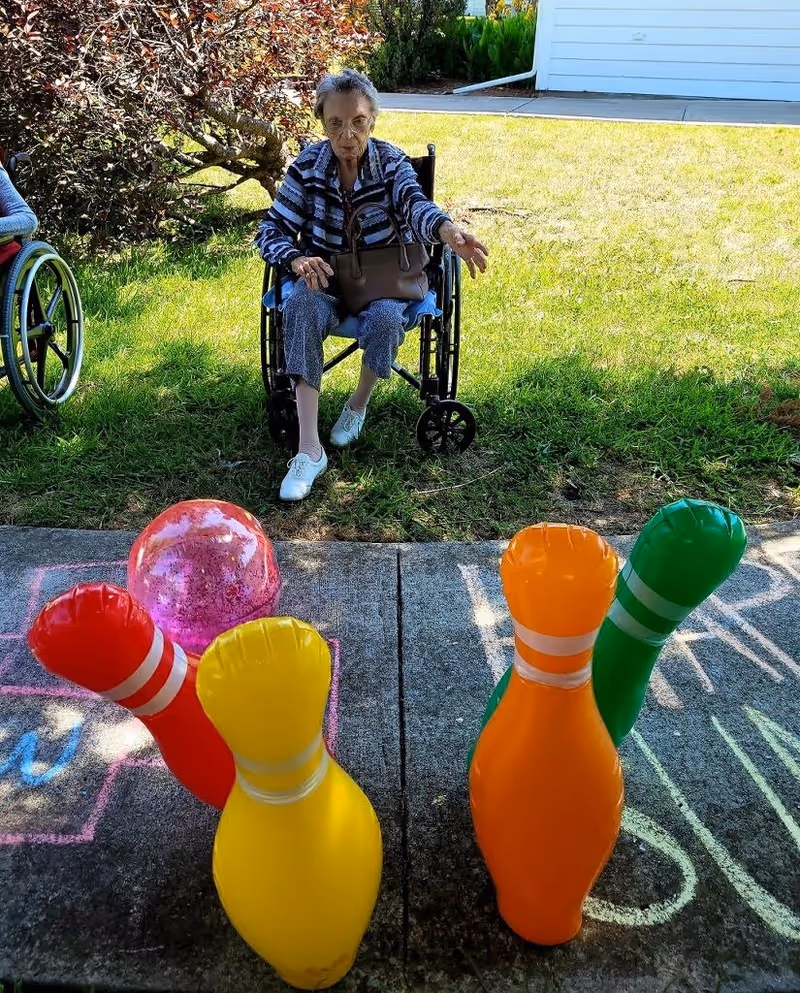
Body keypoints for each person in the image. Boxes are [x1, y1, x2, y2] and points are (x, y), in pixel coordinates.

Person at [256, 69, 488, 502]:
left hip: (382, 283)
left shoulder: (391, 162)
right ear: (322, 123)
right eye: (335, 124)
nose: (347, 134)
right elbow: (271, 230)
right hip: (324, 279)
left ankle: (356, 406)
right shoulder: (306, 167)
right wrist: (296, 257)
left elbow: (414, 204)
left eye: (358, 121)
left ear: (373, 120)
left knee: (384, 319)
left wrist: (448, 232)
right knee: (302, 306)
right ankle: (309, 449)